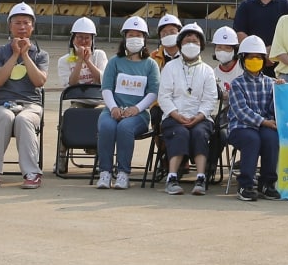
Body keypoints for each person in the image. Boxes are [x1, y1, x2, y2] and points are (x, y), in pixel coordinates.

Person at [0, 2, 49, 189]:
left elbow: (39, 81)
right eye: (18, 23)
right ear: (10, 26)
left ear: (32, 26)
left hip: (31, 104)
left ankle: (31, 172)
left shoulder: (41, 54)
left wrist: (26, 55)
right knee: (5, 117)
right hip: (2, 104)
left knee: (24, 120)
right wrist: (14, 55)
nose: (22, 27)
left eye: (26, 23)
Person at [96, 17, 160, 190]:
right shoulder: (115, 62)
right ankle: (105, 172)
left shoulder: (150, 65)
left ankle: (123, 173)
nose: (134, 38)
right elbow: (106, 88)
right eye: (130, 34)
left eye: (138, 35)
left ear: (145, 38)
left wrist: (136, 108)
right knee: (107, 127)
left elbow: (153, 92)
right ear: (124, 38)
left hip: (138, 115)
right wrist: (113, 107)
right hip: (112, 110)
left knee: (125, 128)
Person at [158, 24, 219, 196]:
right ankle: (172, 177)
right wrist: (177, 115)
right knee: (181, 133)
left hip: (200, 118)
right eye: (187, 41)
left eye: (195, 41)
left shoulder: (207, 70)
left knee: (200, 133)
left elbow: (210, 99)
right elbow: (164, 96)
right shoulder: (170, 67)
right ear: (180, 44)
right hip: (174, 116)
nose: (191, 44)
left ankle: (200, 178)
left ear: (201, 45)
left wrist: (199, 117)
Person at [228, 35, 281, 201]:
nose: (255, 60)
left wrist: (281, 92)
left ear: (264, 61)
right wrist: (263, 121)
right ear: (243, 60)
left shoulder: (271, 83)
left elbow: (274, 110)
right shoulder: (237, 83)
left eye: (259, 57)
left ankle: (267, 183)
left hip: (264, 127)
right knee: (252, 139)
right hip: (240, 128)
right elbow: (240, 111)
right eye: (251, 57)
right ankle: (245, 184)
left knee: (272, 138)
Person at [58, 16, 108, 106]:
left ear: (92, 40)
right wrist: (80, 61)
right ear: (73, 39)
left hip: (99, 100)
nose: (83, 41)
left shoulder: (99, 55)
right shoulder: (64, 60)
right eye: (79, 37)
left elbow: (104, 80)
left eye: (87, 38)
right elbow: (72, 84)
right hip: (78, 101)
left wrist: (88, 61)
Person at [211, 25, 243, 95]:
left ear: (235, 50)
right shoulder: (212, 74)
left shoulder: (243, 68)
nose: (223, 51)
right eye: (219, 47)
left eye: (227, 48)